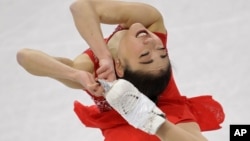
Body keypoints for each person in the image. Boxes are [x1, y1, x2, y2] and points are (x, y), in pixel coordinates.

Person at [16, 0, 225, 141]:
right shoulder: (150, 23)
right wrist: (77, 73)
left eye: (145, 55)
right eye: (161, 51)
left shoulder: (91, 67)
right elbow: (80, 7)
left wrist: (155, 123)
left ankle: (156, 123)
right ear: (118, 66)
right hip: (119, 122)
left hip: (166, 105)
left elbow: (25, 56)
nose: (152, 43)